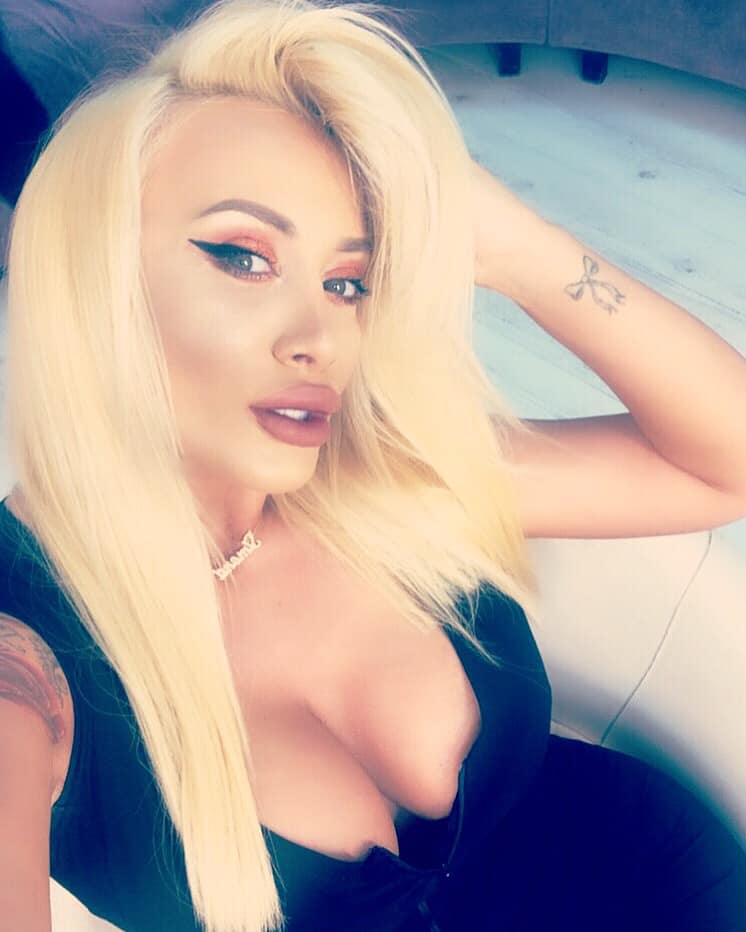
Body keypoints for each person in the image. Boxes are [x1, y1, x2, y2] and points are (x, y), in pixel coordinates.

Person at [1, 1, 745, 930]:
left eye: (346, 280)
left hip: (660, 882)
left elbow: (722, 462)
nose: (320, 336)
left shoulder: (369, 479)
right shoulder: (25, 650)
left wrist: (516, 245)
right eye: (243, 257)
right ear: (91, 275)